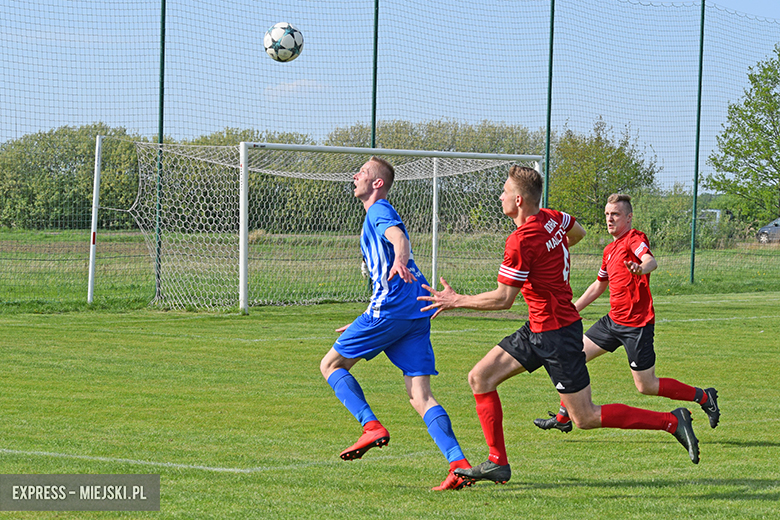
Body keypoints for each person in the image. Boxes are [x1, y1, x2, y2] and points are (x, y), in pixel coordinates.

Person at [418, 166, 700, 485]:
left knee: (586, 417)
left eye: (505, 192)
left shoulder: (521, 241)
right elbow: (575, 232)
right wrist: (551, 258)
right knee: (480, 377)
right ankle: (497, 462)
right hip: (538, 328)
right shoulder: (554, 217)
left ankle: (671, 421)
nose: (501, 196)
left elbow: (503, 299)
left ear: (519, 200)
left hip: (557, 335)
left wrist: (455, 300)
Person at [319, 156, 471, 491]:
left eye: (362, 172)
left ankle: (370, 426)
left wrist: (401, 257)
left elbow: (398, 238)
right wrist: (362, 322)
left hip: (393, 308)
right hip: (414, 310)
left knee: (330, 364)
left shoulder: (378, 209)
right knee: (420, 395)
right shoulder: (375, 213)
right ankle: (459, 464)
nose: (355, 175)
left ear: (377, 183)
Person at [533, 193, 719, 433]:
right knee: (573, 356)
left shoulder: (633, 238)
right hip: (612, 322)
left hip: (637, 326)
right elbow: (599, 285)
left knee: (646, 385)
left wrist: (641, 268)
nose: (610, 219)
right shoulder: (609, 249)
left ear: (629, 218)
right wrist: (571, 309)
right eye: (607, 215)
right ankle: (563, 416)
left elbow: (650, 260)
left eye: (616, 215)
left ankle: (704, 397)